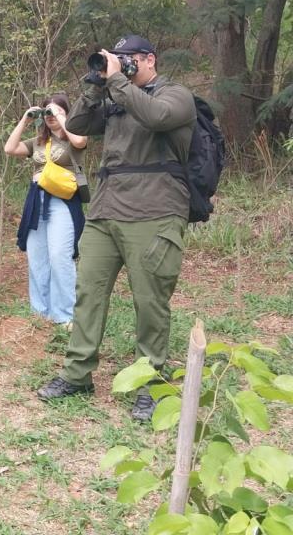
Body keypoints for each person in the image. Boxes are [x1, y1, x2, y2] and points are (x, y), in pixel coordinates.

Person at [37, 35, 196, 421]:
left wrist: (117, 81)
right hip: (106, 211)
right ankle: (77, 374)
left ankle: (151, 384)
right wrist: (94, 86)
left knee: (149, 301)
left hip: (155, 211)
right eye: (117, 60)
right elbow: (75, 125)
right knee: (88, 292)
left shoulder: (176, 95)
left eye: (128, 60)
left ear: (149, 60)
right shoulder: (113, 96)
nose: (120, 65)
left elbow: (156, 117)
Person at [4, 94, 87, 327]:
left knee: (59, 256)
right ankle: (40, 312)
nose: (50, 116)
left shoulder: (74, 136)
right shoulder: (38, 141)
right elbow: (10, 148)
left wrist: (63, 120)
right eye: (47, 113)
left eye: (56, 111)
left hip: (63, 200)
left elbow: (80, 142)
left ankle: (65, 315)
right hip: (36, 200)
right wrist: (26, 120)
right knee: (37, 257)